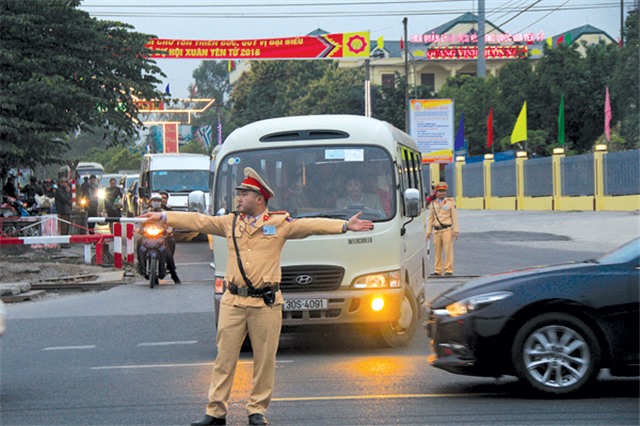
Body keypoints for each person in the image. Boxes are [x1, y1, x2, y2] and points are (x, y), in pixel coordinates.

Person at [140, 167, 374, 426]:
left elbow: (309, 225)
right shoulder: (229, 222)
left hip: (265, 303)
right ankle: (216, 412)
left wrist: (344, 226)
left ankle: (257, 411)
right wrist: (163, 216)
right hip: (233, 300)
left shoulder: (278, 223)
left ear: (259, 198)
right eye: (238, 193)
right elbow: (199, 221)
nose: (238, 198)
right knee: (224, 359)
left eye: (243, 194)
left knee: (264, 360)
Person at [138, 193, 180, 284]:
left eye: (158, 201)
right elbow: (138, 222)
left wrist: (170, 230)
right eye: (154, 201)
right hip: (147, 236)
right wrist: (138, 229)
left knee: (168, 252)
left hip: (162, 236)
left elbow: (172, 223)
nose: (156, 203)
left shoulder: (165, 213)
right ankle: (140, 265)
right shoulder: (145, 212)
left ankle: (173, 273)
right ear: (151, 202)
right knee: (139, 242)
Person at [426, 182, 459, 276]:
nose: (442, 193)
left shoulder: (450, 202)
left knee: (448, 250)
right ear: (436, 192)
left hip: (447, 229)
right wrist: (428, 232)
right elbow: (430, 219)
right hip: (436, 230)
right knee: (437, 251)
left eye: (443, 191)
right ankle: (438, 270)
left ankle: (449, 270)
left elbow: (454, 217)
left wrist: (455, 230)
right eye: (440, 191)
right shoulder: (433, 204)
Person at [54, 179, 73, 244]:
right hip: (62, 210)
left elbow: (69, 200)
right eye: (65, 182)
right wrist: (67, 193)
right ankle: (63, 242)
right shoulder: (59, 191)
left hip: (67, 210)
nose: (66, 184)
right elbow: (64, 199)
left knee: (67, 226)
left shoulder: (65, 190)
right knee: (63, 227)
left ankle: (66, 241)